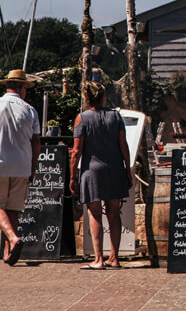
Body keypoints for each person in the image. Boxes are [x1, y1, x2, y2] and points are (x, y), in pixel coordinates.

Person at [0, 69, 41, 266]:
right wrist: (33, 165)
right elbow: (36, 141)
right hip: (22, 166)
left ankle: (13, 239)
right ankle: (9, 249)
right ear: (22, 89)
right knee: (13, 209)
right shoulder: (30, 110)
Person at [70, 82, 132, 269]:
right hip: (114, 168)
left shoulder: (82, 118)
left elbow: (76, 151)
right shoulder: (116, 116)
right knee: (114, 214)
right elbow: (124, 146)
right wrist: (127, 170)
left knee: (95, 213)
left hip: (92, 171)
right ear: (103, 97)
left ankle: (98, 259)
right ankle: (114, 257)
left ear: (86, 98)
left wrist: (73, 176)